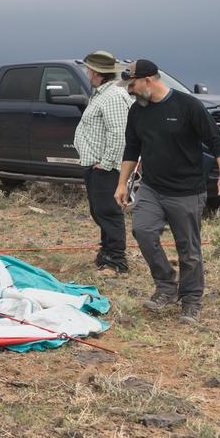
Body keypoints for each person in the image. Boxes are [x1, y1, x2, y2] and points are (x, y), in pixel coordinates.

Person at [115, 59, 220, 325]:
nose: (129, 90)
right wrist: (122, 183)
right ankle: (166, 286)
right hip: (152, 188)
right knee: (143, 231)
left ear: (148, 80)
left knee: (189, 250)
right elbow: (131, 149)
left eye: (132, 84)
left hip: (186, 192)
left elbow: (217, 142)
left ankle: (191, 301)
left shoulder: (188, 105)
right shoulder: (137, 111)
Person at [73, 51, 134, 276]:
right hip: (95, 165)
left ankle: (116, 262)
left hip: (106, 167)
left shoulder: (113, 97)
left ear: (97, 73)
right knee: (100, 211)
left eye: (88, 69)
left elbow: (118, 133)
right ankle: (106, 254)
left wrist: (106, 164)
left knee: (108, 212)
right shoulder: (101, 94)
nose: (87, 72)